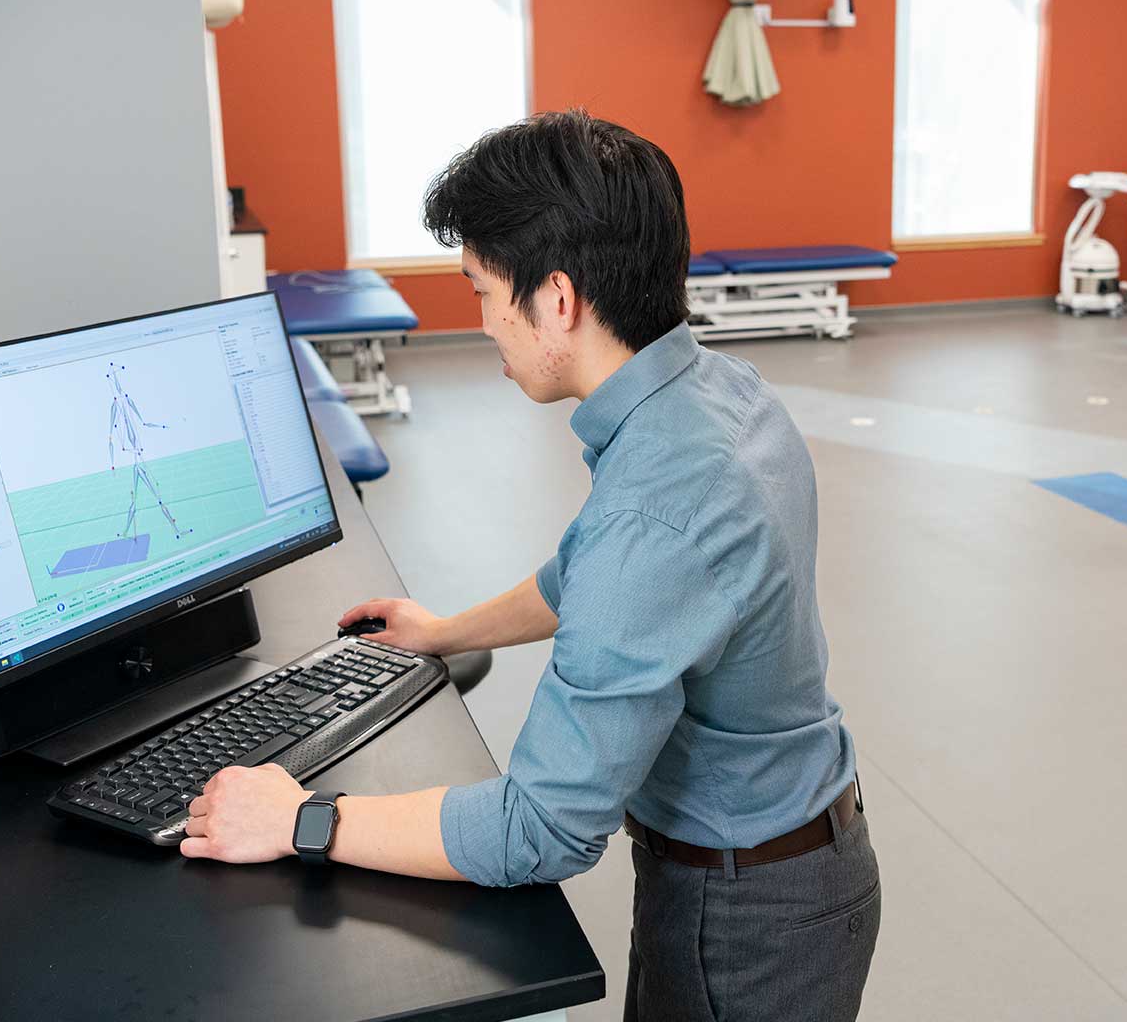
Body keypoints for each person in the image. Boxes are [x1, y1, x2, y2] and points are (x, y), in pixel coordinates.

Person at [179, 111, 881, 1021]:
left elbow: (540, 829)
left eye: (481, 292)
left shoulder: (657, 510)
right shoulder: (716, 393)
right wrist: (443, 630)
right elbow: (589, 574)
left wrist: (302, 820)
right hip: (788, 857)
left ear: (556, 300)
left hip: (748, 918)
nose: (480, 325)